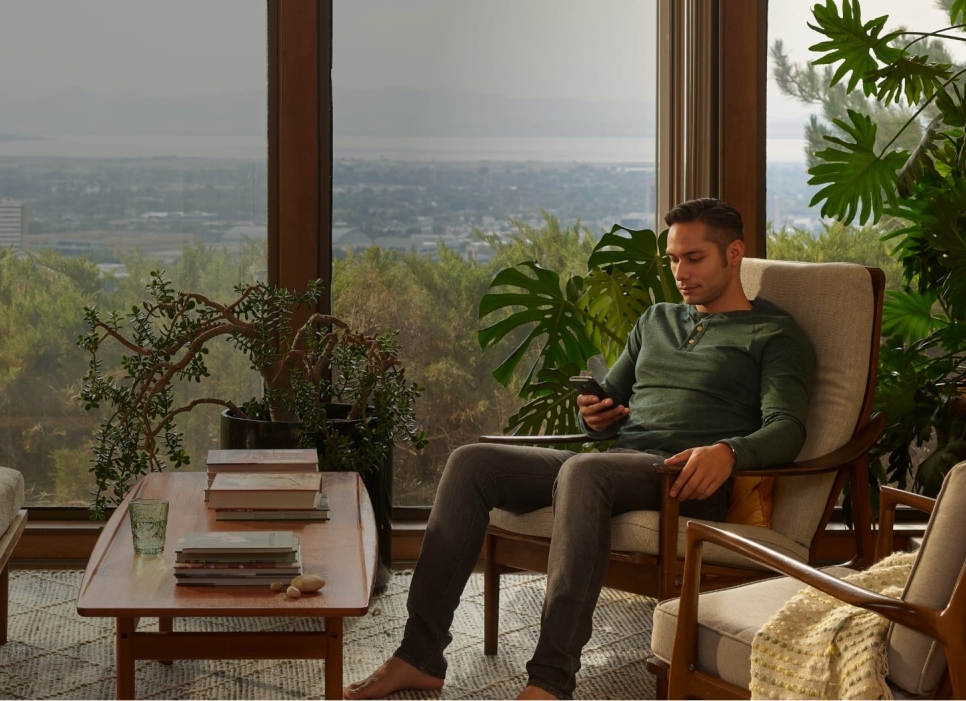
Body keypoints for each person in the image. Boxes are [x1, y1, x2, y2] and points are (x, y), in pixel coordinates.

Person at [343, 198, 817, 700]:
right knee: (471, 462)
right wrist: (592, 415)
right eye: (674, 259)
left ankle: (550, 680)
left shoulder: (773, 334)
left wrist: (728, 452)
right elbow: (607, 402)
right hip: (617, 466)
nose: (680, 271)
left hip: (684, 480)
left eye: (694, 258)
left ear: (734, 253)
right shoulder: (657, 320)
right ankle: (418, 655)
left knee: (585, 474)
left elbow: (787, 427)